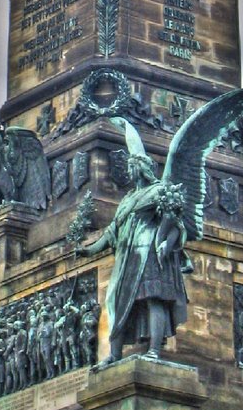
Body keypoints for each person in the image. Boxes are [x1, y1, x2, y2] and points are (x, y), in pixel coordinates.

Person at [77, 152, 190, 363]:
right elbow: (113, 231)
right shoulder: (127, 199)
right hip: (127, 257)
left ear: (141, 169)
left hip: (149, 252)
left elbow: (175, 221)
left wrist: (167, 241)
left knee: (153, 298)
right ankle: (115, 354)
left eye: (131, 167)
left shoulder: (158, 191)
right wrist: (90, 250)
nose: (129, 172)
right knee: (116, 301)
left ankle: (154, 349)